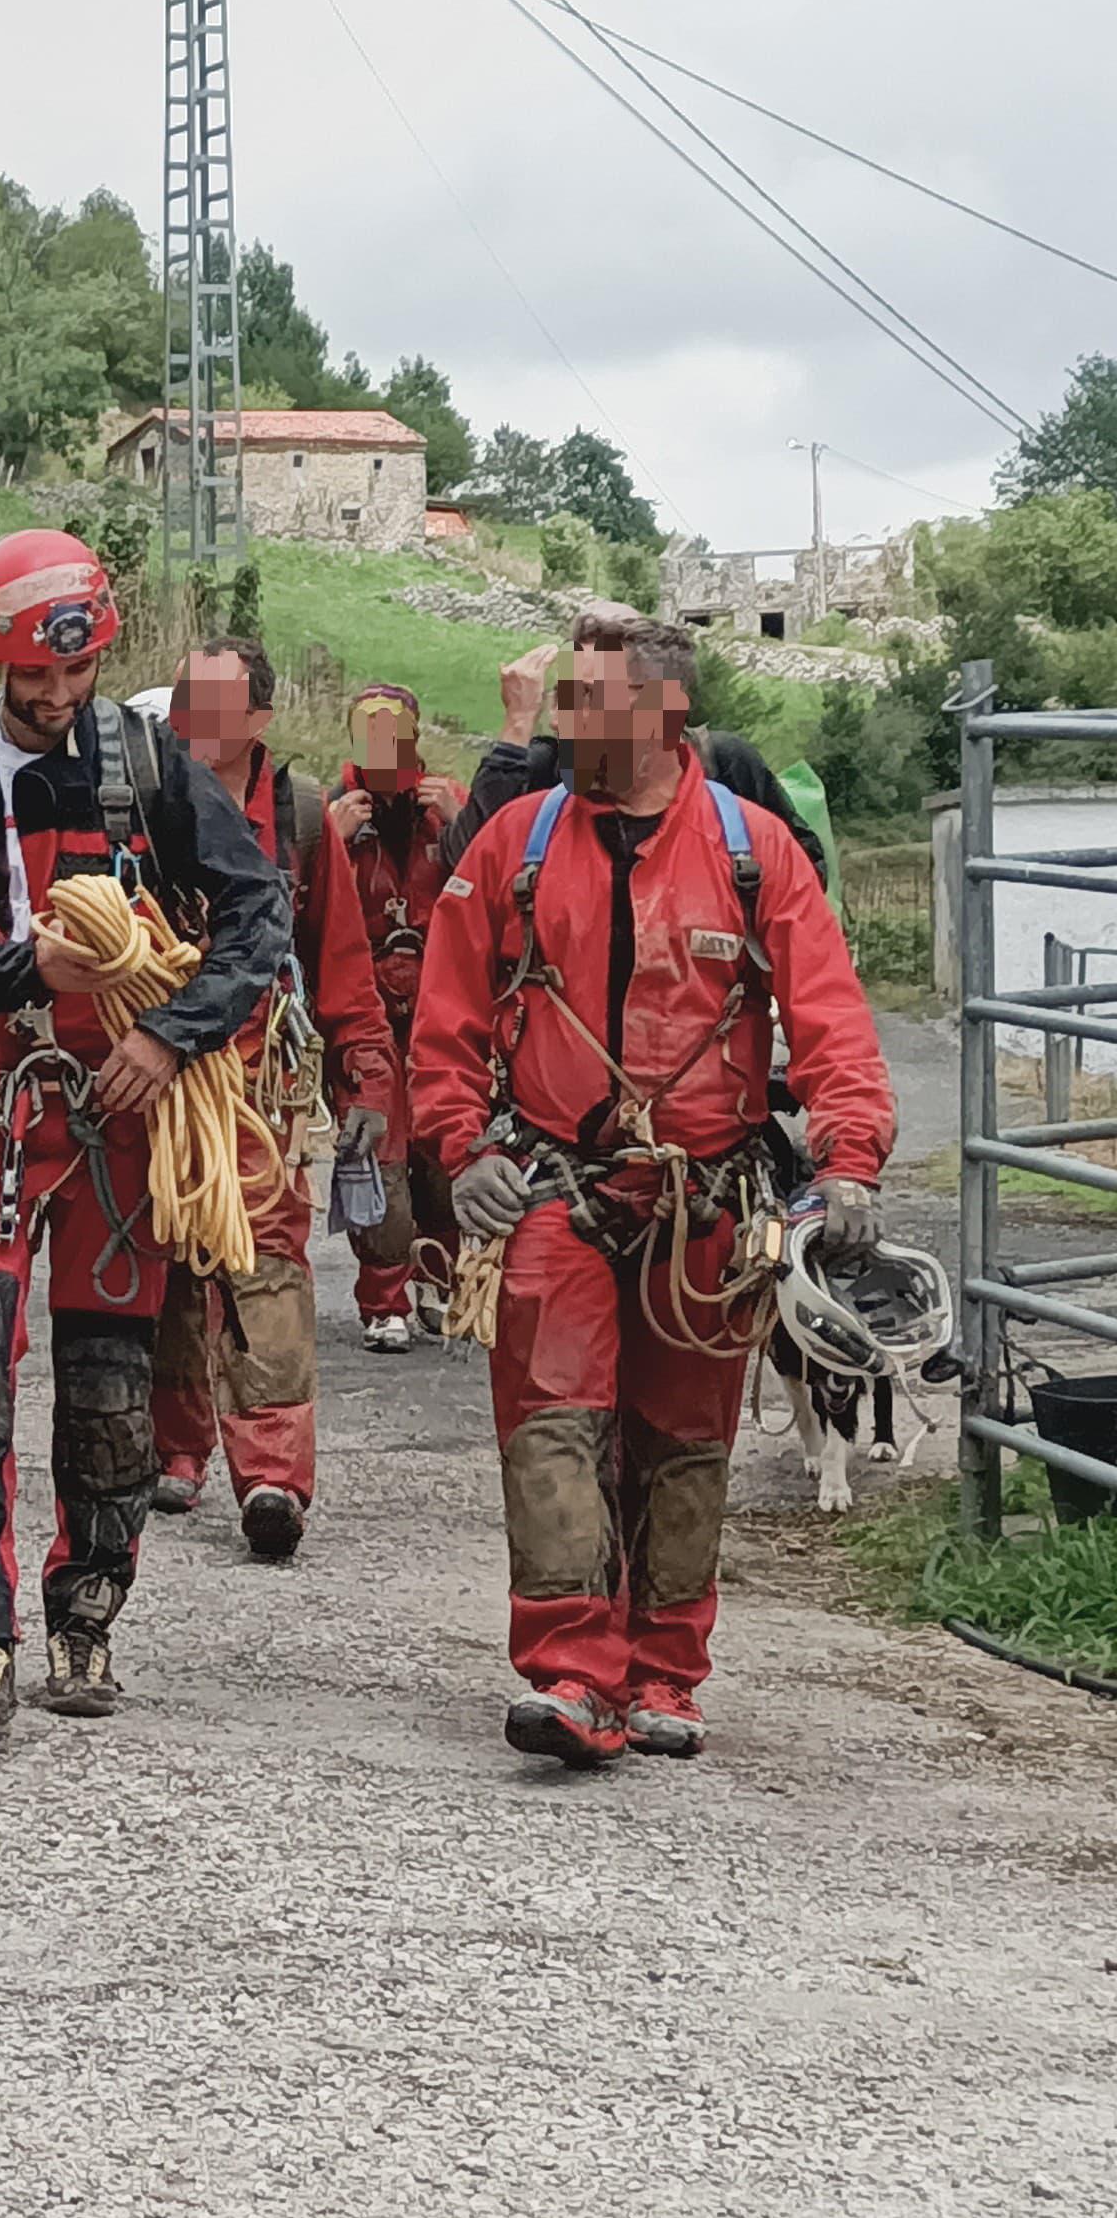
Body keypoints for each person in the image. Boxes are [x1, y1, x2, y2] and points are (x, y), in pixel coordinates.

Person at [408, 617, 892, 1769]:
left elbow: (829, 1017)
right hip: (552, 1185)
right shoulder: (517, 843)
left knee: (683, 1439)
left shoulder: (752, 852)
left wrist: (848, 1161)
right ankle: (574, 1674)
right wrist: (462, 1150)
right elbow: (446, 1011)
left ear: (665, 715)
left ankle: (666, 1668)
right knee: (552, 1425)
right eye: (566, 700)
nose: (568, 721)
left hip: (704, 1202)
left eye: (592, 701)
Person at [0, 532, 289, 1735]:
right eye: (35, 677)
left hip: (116, 1110)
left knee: (107, 1389)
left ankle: (84, 1622)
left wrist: (173, 1036)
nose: (56, 697)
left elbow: (256, 912)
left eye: (78, 673)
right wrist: (18, 970)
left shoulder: (150, 766)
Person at [149, 639, 395, 1559]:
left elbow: (341, 961)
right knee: (165, 1259)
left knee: (265, 1268)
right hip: (155, 1071)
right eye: (187, 698)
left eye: (217, 703)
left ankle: (272, 1478)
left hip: (260, 1086)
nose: (196, 718)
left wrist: (365, 1075)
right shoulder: (136, 802)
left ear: (259, 718)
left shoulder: (299, 820)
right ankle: (174, 1449)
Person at [443, 616, 831, 884]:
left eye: (588, 696)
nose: (560, 720)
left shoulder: (723, 763)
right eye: (562, 697)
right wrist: (517, 725)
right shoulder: (553, 770)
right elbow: (468, 870)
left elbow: (805, 876)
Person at [325, 682, 470, 1354]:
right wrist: (331, 844)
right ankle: (383, 1300)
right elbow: (298, 906)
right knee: (376, 1156)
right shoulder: (331, 816)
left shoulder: (448, 809)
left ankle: (439, 1283)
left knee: (443, 1154)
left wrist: (461, 829)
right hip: (364, 1012)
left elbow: (493, 896)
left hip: (441, 1011)